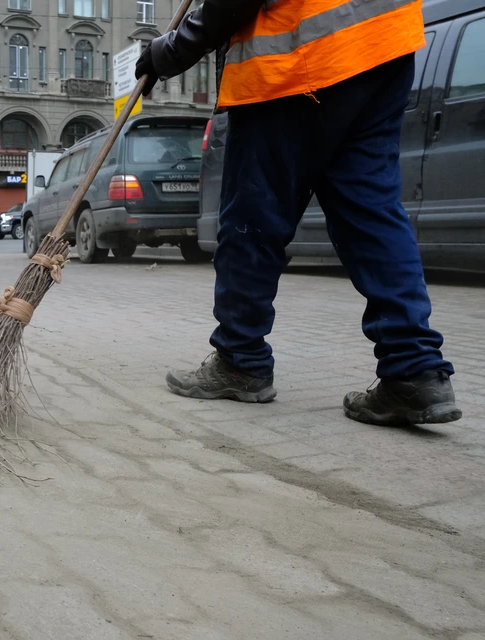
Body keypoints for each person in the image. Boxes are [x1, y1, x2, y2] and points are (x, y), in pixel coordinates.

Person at [134, 0, 462, 426]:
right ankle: (415, 372)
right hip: (383, 44)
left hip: (297, 58)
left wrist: (170, 51)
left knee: (253, 217)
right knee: (371, 213)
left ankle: (240, 360)